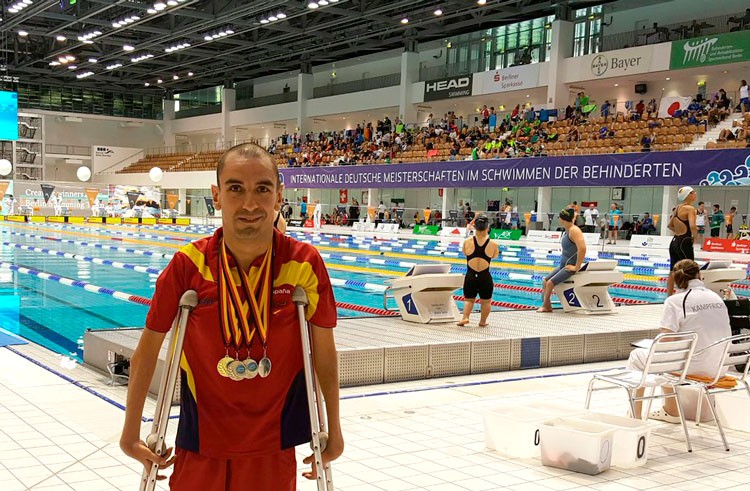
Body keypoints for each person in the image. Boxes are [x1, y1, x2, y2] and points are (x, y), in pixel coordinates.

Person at [119, 143, 344, 490]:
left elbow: (324, 355)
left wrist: (335, 429)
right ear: (217, 195)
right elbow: (147, 350)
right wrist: (130, 433)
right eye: (236, 188)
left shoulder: (303, 263)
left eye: (262, 189)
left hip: (274, 446)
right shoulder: (188, 265)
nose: (250, 204)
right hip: (200, 446)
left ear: (279, 195)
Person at [628, 259, 731, 422]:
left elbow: (666, 342)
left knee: (638, 356)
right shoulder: (716, 298)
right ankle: (671, 410)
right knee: (670, 358)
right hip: (721, 366)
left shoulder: (675, 301)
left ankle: (634, 417)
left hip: (694, 369)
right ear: (699, 275)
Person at [538, 209, 586, 313]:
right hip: (563, 265)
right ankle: (546, 305)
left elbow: (582, 248)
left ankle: (546, 307)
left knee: (550, 283)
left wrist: (577, 267)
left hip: (570, 266)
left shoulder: (574, 230)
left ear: (562, 219)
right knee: (545, 281)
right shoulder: (567, 229)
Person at [457, 215, 499, 327]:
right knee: (486, 301)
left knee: (468, 299)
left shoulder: (467, 242)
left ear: (474, 227)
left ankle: (465, 317)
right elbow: (494, 256)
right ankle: (482, 321)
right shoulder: (493, 244)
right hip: (485, 276)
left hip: (470, 275)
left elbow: (465, 253)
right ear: (487, 228)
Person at [667, 186, 697, 296]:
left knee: (672, 270)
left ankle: (669, 296)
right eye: (693, 192)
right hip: (684, 241)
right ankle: (690, 294)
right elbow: (693, 226)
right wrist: (695, 237)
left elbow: (670, 225)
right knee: (691, 268)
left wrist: (679, 231)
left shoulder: (677, 208)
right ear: (688, 195)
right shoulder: (690, 209)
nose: (695, 193)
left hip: (674, 241)